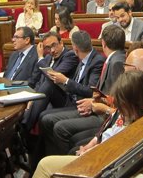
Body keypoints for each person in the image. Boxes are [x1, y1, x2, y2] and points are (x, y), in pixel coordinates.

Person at [25, 69, 143, 178]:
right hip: (99, 155)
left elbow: (117, 152)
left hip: (102, 168)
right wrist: (91, 146)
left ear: (136, 101)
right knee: (48, 169)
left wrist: (91, 152)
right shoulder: (131, 112)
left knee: (45, 166)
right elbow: (110, 130)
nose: (121, 109)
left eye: (123, 105)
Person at [39, 24, 127, 156]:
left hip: (102, 113)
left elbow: (115, 98)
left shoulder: (115, 62)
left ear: (103, 43)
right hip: (90, 104)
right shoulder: (111, 59)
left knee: (57, 125)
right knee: (45, 116)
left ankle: (61, 165)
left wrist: (93, 102)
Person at [21, 32, 78, 130]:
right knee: (27, 104)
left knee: (49, 84)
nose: (52, 50)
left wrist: (40, 57)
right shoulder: (47, 58)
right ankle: (23, 134)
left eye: (54, 45)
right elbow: (39, 81)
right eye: (47, 48)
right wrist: (33, 97)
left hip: (64, 99)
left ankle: (24, 128)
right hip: (45, 98)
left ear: (61, 43)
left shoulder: (70, 55)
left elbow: (54, 76)